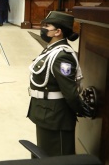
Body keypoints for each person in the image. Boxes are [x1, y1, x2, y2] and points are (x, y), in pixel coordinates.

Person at [27, 11, 94, 157]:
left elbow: (70, 92)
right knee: (44, 154)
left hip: (56, 117)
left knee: (58, 157)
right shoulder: (51, 50)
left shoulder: (62, 56)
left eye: (47, 26)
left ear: (58, 32)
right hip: (45, 112)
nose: (43, 29)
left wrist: (81, 109)